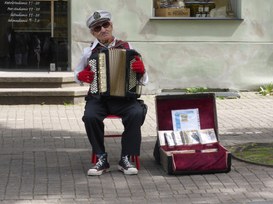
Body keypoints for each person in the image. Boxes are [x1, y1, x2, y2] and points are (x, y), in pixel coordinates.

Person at [74, 10, 148, 176]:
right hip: (98, 99)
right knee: (90, 117)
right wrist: (81, 76)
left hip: (124, 99)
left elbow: (144, 79)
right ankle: (101, 158)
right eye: (97, 28)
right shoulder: (88, 52)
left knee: (136, 112)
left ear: (111, 26)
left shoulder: (128, 48)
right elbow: (77, 73)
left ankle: (126, 157)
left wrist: (141, 71)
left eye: (105, 25)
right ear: (92, 32)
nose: (103, 30)